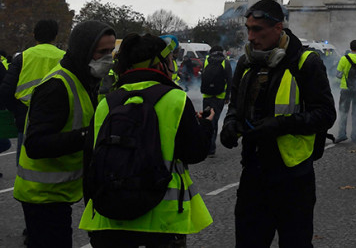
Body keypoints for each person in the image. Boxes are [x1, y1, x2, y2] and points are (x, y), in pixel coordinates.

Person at [220, 0, 336, 248]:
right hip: (253, 171)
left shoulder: (307, 63)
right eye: (248, 29)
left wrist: (280, 125)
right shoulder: (245, 62)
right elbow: (235, 106)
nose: (250, 37)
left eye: (257, 30)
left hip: (294, 175)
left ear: (278, 28)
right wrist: (230, 124)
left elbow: (326, 114)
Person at [79, 33, 214, 247]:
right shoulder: (176, 99)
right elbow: (195, 152)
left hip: (110, 220)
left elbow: (90, 165)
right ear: (158, 63)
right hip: (163, 221)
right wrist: (206, 125)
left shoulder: (107, 103)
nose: (174, 64)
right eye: (170, 60)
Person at [14, 20, 114, 248]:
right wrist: (87, 136)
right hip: (42, 195)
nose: (108, 58)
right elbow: (36, 144)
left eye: (111, 51)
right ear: (84, 50)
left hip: (57, 193)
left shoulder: (85, 78)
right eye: (102, 52)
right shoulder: (57, 86)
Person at [0, 19, 66, 156]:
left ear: (34, 35)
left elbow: (6, 90)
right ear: (55, 36)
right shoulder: (65, 58)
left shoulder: (23, 57)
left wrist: (16, 110)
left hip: (26, 117)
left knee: (25, 165)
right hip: (59, 116)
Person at [200, 44, 232, 156]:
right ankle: (211, 148)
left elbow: (202, 77)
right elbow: (229, 81)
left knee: (207, 119)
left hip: (207, 96)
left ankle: (205, 145)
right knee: (214, 120)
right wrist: (227, 96)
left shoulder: (206, 61)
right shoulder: (225, 62)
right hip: (220, 96)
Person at [335, 39, 356, 143]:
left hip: (346, 89)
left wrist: (343, 76)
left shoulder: (344, 59)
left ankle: (342, 134)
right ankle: (354, 136)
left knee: (343, 112)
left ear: (350, 47)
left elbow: (338, 74)